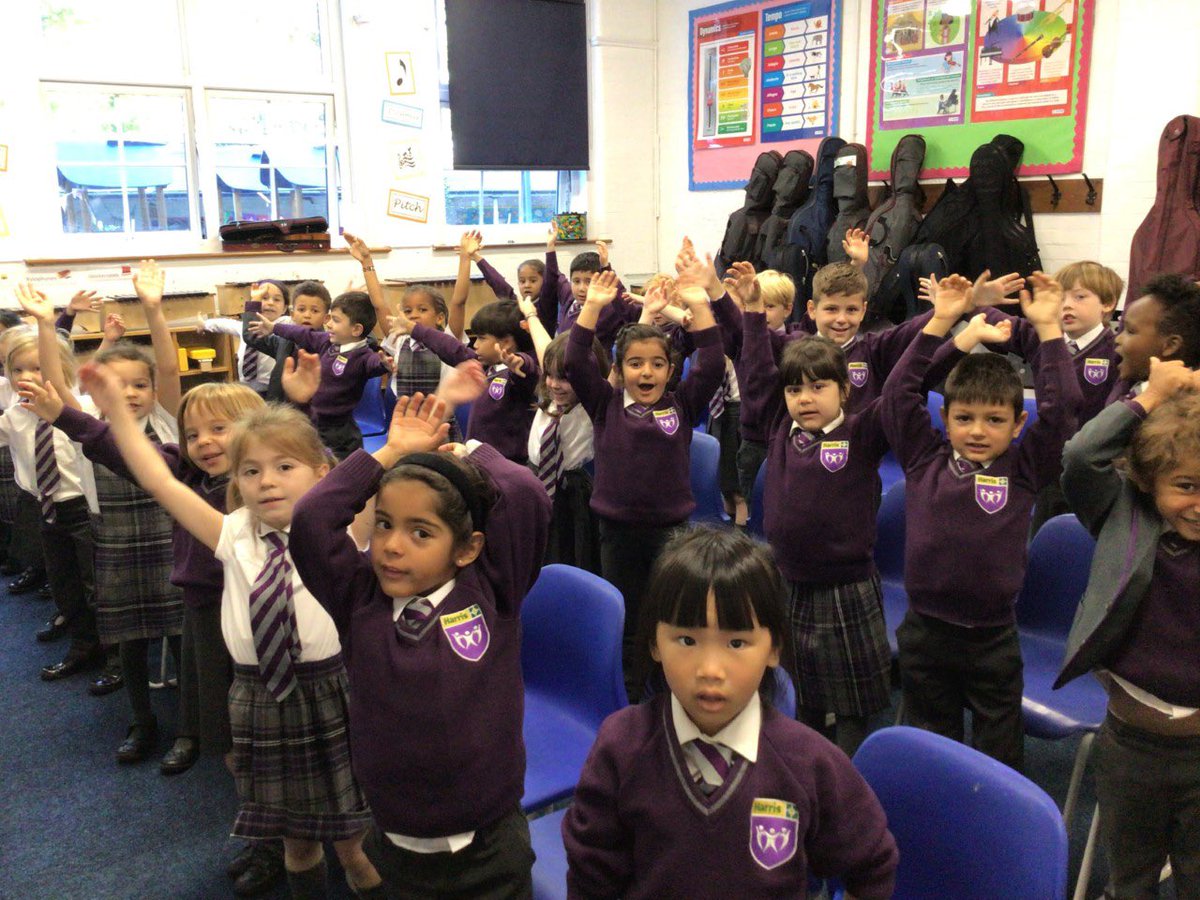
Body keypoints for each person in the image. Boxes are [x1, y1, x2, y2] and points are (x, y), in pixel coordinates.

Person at [72, 367, 383, 900]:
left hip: (331, 691)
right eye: (251, 471)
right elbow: (158, 479)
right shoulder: (231, 533)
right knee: (296, 844)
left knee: (355, 843)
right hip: (259, 697)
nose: (266, 481)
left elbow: (363, 472)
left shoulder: (342, 531)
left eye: (284, 468)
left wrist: (398, 443)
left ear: (321, 474)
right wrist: (121, 416)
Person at [288, 390, 551, 898]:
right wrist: (386, 455)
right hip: (395, 842)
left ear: (468, 548)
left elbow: (529, 497)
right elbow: (312, 519)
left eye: (421, 533)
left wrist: (472, 453)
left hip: (492, 839)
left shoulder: (493, 589)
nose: (391, 545)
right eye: (384, 524)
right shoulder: (358, 598)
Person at [42, 376, 287, 894]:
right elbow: (121, 449)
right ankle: (265, 838)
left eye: (220, 428)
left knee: (277, 741)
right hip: (205, 620)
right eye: (194, 433)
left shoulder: (270, 488)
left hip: (269, 626)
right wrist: (68, 413)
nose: (205, 442)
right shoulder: (183, 473)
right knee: (227, 741)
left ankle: (299, 835)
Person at [562, 527, 898, 899]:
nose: (710, 669)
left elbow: (872, 861)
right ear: (655, 643)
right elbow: (590, 880)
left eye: (737, 643)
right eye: (687, 640)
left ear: (773, 650)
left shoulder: (810, 764)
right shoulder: (621, 748)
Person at [880, 272, 1082, 769]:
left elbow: (1063, 410)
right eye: (964, 418)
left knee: (1000, 754)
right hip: (925, 632)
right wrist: (943, 322)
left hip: (992, 639)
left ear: (1018, 425)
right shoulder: (925, 458)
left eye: (995, 420)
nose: (977, 431)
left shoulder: (1025, 467)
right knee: (935, 747)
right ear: (945, 419)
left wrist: (1049, 332)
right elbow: (897, 394)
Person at [20, 261, 185, 762]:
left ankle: (192, 727)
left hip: (169, 541)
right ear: (95, 393)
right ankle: (141, 721)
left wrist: (154, 311)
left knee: (181, 636)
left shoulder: (167, 419)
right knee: (129, 642)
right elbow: (56, 382)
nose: (130, 394)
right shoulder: (89, 425)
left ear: (153, 391)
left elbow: (171, 367)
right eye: (118, 386)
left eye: (139, 384)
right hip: (113, 542)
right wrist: (48, 326)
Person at [1056, 358, 1200, 899]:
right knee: (1131, 876)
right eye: (1185, 485)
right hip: (1131, 747)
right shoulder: (1127, 518)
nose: (1198, 505)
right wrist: (1149, 398)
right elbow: (1079, 456)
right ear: (1148, 480)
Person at [741, 275, 893, 754]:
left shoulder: (863, 431)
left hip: (844, 586)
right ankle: (804, 758)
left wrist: (954, 327)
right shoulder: (782, 427)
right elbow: (760, 371)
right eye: (795, 391)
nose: (804, 398)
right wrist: (747, 312)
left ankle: (845, 773)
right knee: (800, 686)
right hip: (789, 579)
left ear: (845, 390)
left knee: (851, 705)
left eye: (818, 387)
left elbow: (907, 381)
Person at [565, 265, 723, 693]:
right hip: (617, 531)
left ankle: (673, 681)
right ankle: (633, 690)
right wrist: (592, 308)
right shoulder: (605, 404)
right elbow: (575, 361)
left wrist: (696, 304)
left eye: (657, 364)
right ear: (620, 368)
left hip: (670, 530)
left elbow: (709, 365)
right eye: (635, 364)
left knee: (671, 609)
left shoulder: (682, 405)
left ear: (671, 370)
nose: (647, 373)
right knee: (628, 612)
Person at [0, 294, 101, 681]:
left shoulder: (78, 410)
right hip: (46, 510)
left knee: (95, 587)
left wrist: (46, 324)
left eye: (38, 368)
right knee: (64, 586)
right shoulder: (15, 414)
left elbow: (63, 393)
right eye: (19, 370)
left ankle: (114, 656)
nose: (27, 377)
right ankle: (82, 645)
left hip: (82, 511)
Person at [518, 293, 606, 572]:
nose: (555, 384)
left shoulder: (597, 404)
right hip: (537, 479)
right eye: (550, 376)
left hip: (573, 495)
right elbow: (545, 347)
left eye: (565, 378)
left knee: (570, 555)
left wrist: (648, 313)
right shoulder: (550, 396)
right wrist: (530, 314)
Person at [392, 297, 539, 464]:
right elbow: (451, 348)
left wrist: (522, 362)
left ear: (505, 343)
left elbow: (530, 371)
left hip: (507, 464)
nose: (475, 345)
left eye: (482, 338)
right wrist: (413, 329)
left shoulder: (519, 374)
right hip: (477, 458)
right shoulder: (484, 367)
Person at [252, 291, 391, 459]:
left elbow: (374, 364)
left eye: (336, 320)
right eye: (330, 318)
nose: (329, 324)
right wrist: (274, 328)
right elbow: (302, 334)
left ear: (356, 329)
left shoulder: (364, 356)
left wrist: (383, 364)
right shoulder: (327, 342)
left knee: (340, 470)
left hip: (340, 431)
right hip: (313, 422)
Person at [380, 285, 463, 442]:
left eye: (422, 310)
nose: (414, 316)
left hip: (439, 423)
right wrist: (367, 264)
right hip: (406, 423)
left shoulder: (447, 342)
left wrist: (466, 260)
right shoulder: (399, 340)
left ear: (439, 318)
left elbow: (459, 302)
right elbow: (379, 305)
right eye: (407, 311)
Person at [240, 280, 332, 404]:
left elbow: (307, 337)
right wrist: (255, 301)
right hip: (280, 411)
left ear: (326, 318)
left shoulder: (328, 343)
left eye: (315, 311)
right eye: (301, 309)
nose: (307, 315)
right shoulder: (284, 341)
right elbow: (252, 336)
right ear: (293, 314)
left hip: (313, 413)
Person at [203, 280, 290, 395]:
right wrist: (204, 324)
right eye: (264, 298)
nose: (270, 303)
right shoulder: (246, 326)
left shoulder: (285, 325)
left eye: (277, 299)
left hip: (273, 390)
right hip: (247, 388)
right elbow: (226, 324)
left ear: (284, 308)